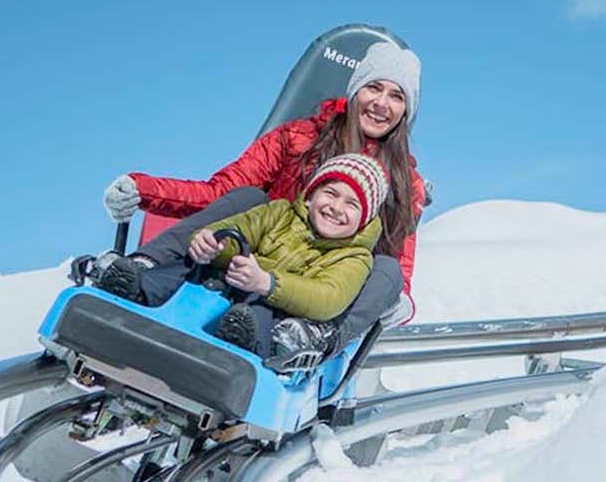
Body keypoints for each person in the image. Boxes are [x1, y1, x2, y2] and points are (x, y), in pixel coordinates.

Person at [102, 41, 425, 349]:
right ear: (355, 91)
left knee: (388, 270)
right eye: (374, 87)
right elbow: (221, 193)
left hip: (324, 280)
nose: (382, 103)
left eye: (397, 96)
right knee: (248, 198)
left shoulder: (405, 183)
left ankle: (313, 338)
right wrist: (142, 189)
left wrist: (397, 298)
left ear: (406, 110)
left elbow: (401, 259)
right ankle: (141, 267)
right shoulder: (298, 138)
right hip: (258, 254)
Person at [99, 154, 389, 372]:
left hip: (269, 302)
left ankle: (242, 343)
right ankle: (133, 288)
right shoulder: (279, 212)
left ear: (364, 219)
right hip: (229, 281)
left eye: (352, 204)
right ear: (311, 195)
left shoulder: (355, 256)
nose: (336, 208)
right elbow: (238, 227)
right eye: (330, 193)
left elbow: (328, 298)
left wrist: (267, 282)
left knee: (258, 313)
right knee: (188, 268)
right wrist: (211, 243)